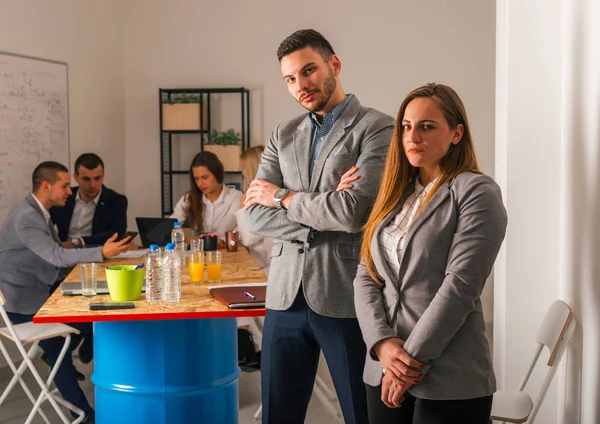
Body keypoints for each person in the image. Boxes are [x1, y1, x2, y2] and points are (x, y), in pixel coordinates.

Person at [243, 29, 394, 424]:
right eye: (290, 79)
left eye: (308, 71)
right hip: (283, 295)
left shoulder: (377, 128)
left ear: (334, 65)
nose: (301, 85)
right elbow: (253, 215)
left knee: (361, 413)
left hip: (344, 292)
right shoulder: (282, 134)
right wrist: (324, 209)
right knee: (278, 415)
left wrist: (282, 196)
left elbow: (352, 213)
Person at [353, 83, 508, 424]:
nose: (413, 136)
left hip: (450, 376)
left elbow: (460, 288)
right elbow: (366, 276)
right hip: (383, 366)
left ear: (456, 133)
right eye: (406, 127)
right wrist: (382, 344)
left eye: (427, 126)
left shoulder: (476, 192)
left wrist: (406, 363)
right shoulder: (394, 192)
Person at [0, 161, 133, 423]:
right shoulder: (28, 217)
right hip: (21, 302)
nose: (69, 191)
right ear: (47, 186)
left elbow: (54, 253)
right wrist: (101, 252)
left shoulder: (39, 211)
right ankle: (84, 416)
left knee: (88, 314)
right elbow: (56, 255)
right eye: (64, 186)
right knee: (60, 347)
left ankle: (80, 400)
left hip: (38, 292)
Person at [51, 153, 128, 247]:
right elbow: (46, 223)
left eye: (97, 178)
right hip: (63, 253)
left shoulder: (115, 200)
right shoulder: (65, 196)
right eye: (86, 179)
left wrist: (78, 242)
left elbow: (116, 233)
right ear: (76, 178)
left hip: (95, 253)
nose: (92, 185)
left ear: (103, 176)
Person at [170, 151, 242, 240]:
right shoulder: (189, 198)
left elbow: (222, 232)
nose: (200, 183)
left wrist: (194, 239)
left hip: (225, 251)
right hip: (196, 250)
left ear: (217, 174)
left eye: (205, 177)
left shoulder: (236, 197)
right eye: (196, 179)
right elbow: (172, 224)